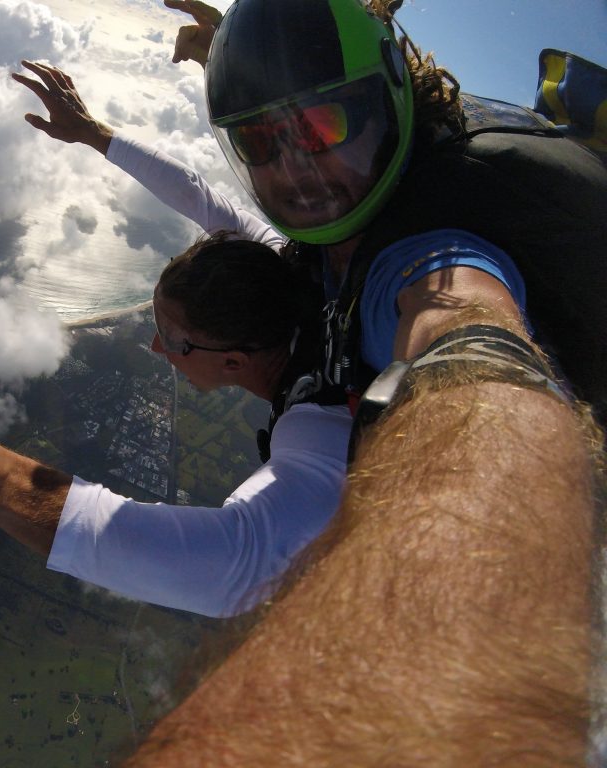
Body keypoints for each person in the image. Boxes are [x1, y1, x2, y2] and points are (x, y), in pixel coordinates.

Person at [112, 0, 606, 764]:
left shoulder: (430, 255)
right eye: (259, 140)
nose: (296, 171)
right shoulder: (327, 242)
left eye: (321, 129)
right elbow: (212, 207)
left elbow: (468, 344)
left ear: (388, 97)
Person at [0, 234, 351, 618]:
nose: (156, 346)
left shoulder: (322, 426)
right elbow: (206, 200)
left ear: (234, 362)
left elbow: (237, 567)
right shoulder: (287, 286)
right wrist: (97, 137)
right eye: (158, 323)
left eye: (174, 338)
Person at [11, 59, 284, 249]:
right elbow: (194, 194)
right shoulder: (288, 262)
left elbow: (195, 195)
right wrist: (91, 132)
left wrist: (92, 133)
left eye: (175, 335)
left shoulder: (288, 264)